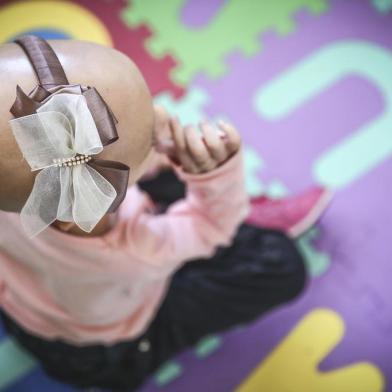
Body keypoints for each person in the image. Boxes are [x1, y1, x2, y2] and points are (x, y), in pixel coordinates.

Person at [0, 36, 311, 391]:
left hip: (31, 306)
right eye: (151, 134)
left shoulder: (15, 193)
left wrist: (141, 152)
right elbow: (212, 227)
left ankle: (154, 177)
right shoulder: (132, 252)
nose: (163, 115)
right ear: (89, 201)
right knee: (281, 263)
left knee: (155, 173)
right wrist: (217, 177)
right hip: (108, 351)